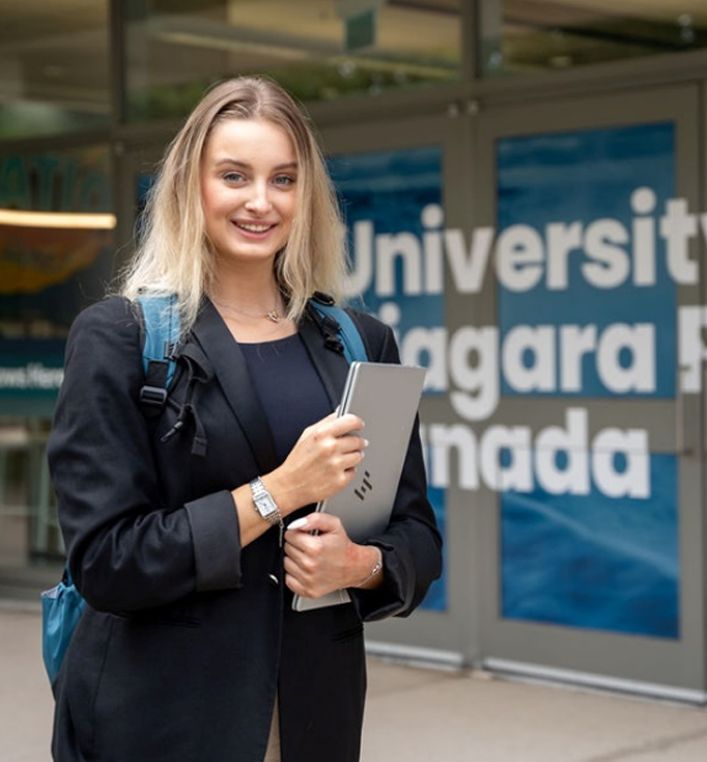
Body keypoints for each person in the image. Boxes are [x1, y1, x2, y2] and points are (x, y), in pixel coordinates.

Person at [47, 75, 442, 762]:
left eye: (283, 179)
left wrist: (361, 565)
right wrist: (277, 492)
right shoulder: (119, 339)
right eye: (235, 176)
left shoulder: (358, 343)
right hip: (158, 719)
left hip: (316, 718)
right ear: (190, 188)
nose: (261, 201)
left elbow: (417, 536)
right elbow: (107, 562)